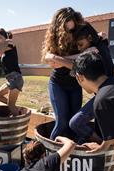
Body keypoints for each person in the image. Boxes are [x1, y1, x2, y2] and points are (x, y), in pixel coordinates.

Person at [41, 7, 85, 140]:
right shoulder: (53, 38)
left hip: (75, 85)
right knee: (62, 123)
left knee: (75, 124)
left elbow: (82, 61)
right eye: (67, 29)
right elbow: (50, 61)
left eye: (72, 29)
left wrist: (58, 59)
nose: (70, 32)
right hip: (58, 84)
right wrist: (78, 57)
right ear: (59, 28)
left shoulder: (80, 33)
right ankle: (50, 154)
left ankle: (73, 155)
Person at [68, 24, 114, 144]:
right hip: (106, 92)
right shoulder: (99, 45)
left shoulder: (97, 51)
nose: (80, 49)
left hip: (107, 94)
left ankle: (101, 145)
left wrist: (57, 58)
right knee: (98, 127)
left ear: (89, 38)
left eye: (81, 44)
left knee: (76, 123)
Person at [0, 29, 23, 116]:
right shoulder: (3, 49)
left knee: (11, 105)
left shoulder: (10, 43)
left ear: (5, 37)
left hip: (15, 78)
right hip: (10, 79)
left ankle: (17, 119)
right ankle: (15, 108)